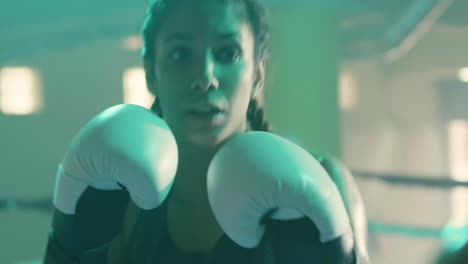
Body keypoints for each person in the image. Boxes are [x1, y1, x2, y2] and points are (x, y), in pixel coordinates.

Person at [43, 0, 370, 263]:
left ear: (257, 72)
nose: (205, 77)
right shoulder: (119, 198)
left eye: (228, 53)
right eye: (181, 54)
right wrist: (68, 251)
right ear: (151, 72)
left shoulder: (326, 182)